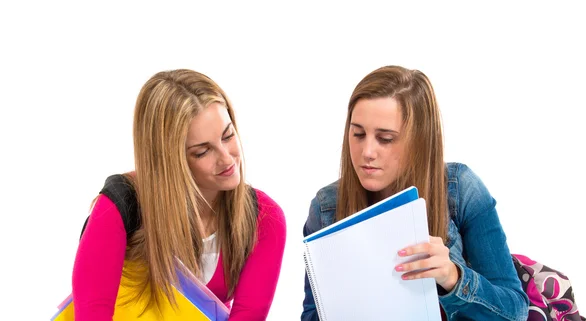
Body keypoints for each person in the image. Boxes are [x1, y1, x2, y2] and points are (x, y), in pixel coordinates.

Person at [301, 65, 528, 320]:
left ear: (419, 140)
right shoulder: (325, 207)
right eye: (358, 134)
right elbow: (311, 313)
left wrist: (452, 277)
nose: (367, 152)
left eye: (385, 138)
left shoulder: (461, 189)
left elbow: (516, 311)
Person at [72, 69, 286, 321]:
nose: (227, 159)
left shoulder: (264, 218)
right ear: (169, 162)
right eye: (202, 151)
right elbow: (91, 313)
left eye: (228, 135)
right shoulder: (119, 207)